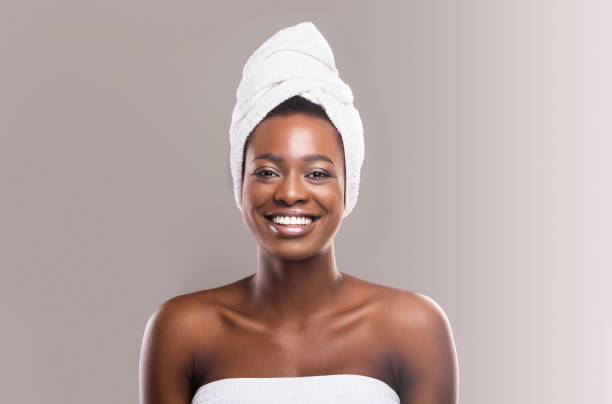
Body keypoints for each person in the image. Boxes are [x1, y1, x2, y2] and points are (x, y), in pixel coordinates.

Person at [139, 22, 458, 404]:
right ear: (242, 183)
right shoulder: (182, 331)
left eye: (317, 173)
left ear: (348, 187)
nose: (290, 193)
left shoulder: (412, 328)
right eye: (267, 172)